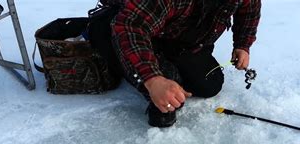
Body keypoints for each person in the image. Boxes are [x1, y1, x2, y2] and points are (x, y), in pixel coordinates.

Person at [106, 0, 261, 127]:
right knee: (166, 103)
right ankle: (98, 33)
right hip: (129, 22)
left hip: (182, 38)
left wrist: (242, 44)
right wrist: (153, 79)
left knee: (208, 84)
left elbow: (250, 8)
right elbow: (130, 26)